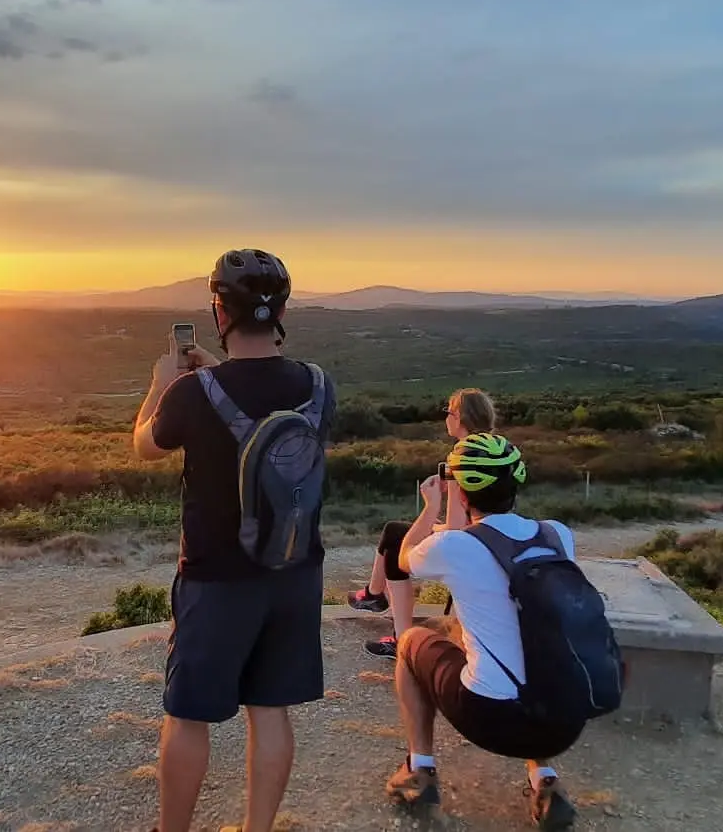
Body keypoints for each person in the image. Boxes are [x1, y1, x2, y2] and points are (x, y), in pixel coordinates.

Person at [131, 248, 337, 832]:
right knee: (271, 712)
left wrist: (162, 383)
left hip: (216, 578)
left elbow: (145, 445)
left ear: (219, 309)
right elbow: (264, 393)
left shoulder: (194, 393)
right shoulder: (321, 386)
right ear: (281, 310)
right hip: (295, 572)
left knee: (188, 716)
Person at [384, 432, 585, 830]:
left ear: (463, 493)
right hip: (565, 720)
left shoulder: (457, 545)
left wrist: (430, 507)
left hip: (493, 720)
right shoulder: (558, 535)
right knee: (530, 652)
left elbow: (404, 557)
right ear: (517, 481)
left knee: (410, 642)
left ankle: (419, 769)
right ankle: (544, 778)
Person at [348, 388, 496, 659]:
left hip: (469, 545)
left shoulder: (459, 458)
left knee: (397, 541)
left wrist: (431, 512)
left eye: (449, 412)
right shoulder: (497, 448)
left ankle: (397, 633)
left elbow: (454, 528)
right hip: (492, 536)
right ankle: (374, 596)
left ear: (461, 418)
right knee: (394, 532)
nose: (446, 418)